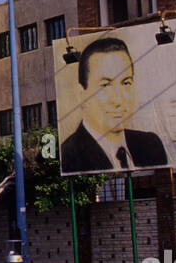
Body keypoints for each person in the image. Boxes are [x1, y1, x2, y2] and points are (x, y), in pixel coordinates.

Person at [62, 37, 168, 172]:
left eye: (126, 83)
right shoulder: (70, 156)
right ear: (82, 95)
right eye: (105, 85)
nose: (118, 99)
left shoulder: (151, 145)